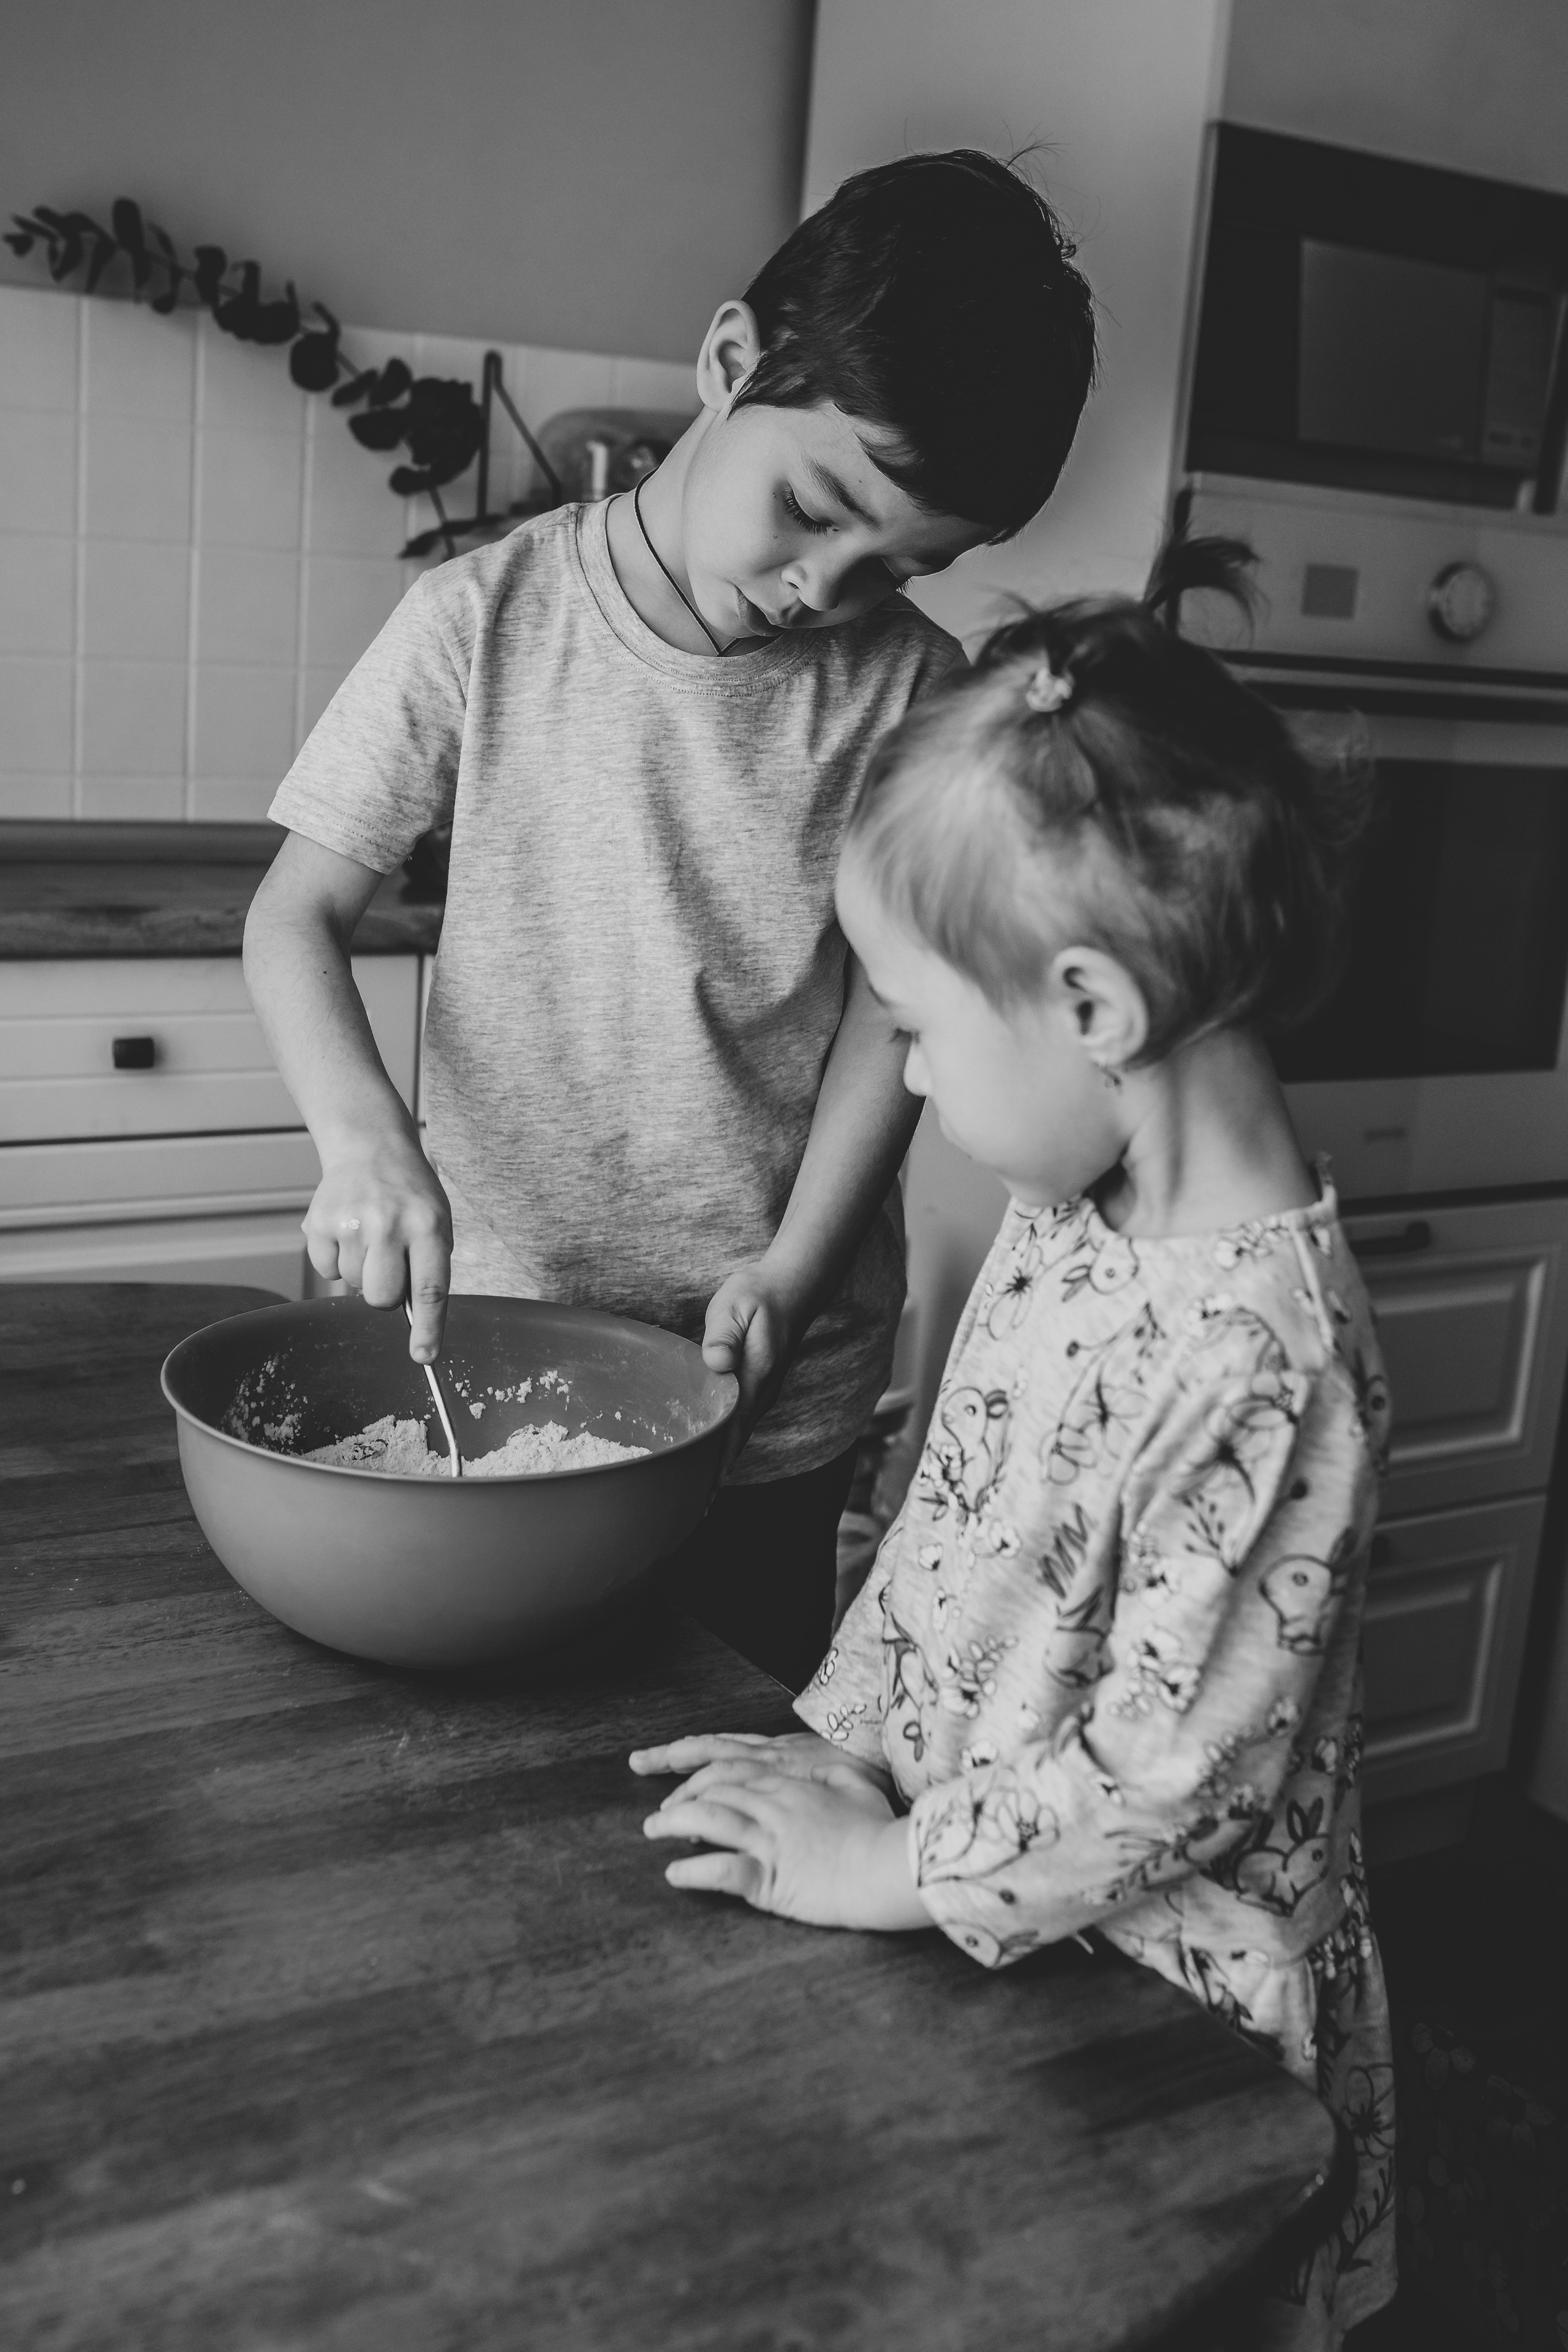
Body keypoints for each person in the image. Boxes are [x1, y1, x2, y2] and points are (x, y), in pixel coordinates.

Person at [631, 538, 1396, 2348]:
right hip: (986, 1929)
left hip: (1151, 2023)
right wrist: (825, 1758)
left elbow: (1165, 1776)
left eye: (912, 1029)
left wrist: (885, 1872)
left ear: (1091, 1013)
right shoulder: (1081, 1212)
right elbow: (953, 1538)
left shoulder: (1262, 1357)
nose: (900, 1078)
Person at [243, 149, 1096, 1695]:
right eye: (811, 507)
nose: (822, 587)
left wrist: (792, 1265)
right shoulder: (482, 621)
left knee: (716, 1747)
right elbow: (295, 914)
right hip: (484, 1348)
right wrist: (362, 1138)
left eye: (900, 565)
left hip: (761, 1381)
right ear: (725, 364)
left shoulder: (913, 694)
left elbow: (881, 1017)